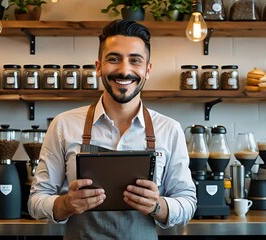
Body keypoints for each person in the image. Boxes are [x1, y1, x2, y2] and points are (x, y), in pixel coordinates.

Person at [28, 19, 197, 239]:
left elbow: (188, 202)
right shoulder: (63, 125)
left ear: (147, 70)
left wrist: (157, 206)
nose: (124, 70)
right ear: (99, 67)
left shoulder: (169, 129)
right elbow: (36, 200)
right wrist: (66, 204)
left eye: (135, 60)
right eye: (114, 59)